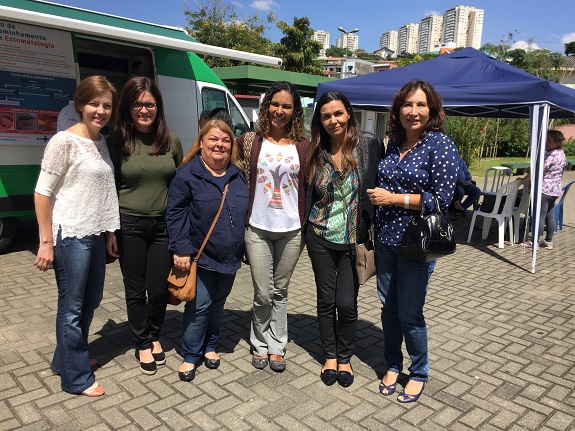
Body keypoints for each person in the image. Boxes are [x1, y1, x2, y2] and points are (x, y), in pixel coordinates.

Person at [367, 80, 458, 403]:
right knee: (388, 310)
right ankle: (393, 364)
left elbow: (441, 200)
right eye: (408, 105)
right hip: (387, 241)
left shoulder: (440, 145)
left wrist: (393, 198)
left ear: (431, 110)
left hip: (417, 244)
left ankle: (419, 371)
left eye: (421, 105)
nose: (413, 111)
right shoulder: (392, 144)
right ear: (398, 110)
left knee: (409, 312)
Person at [33, 75, 120, 397]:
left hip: (95, 233)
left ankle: (66, 359)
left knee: (91, 301)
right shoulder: (63, 142)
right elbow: (42, 193)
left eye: (107, 105)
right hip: (70, 235)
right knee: (71, 307)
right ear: (80, 104)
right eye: (94, 103)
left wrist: (110, 232)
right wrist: (45, 241)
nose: (101, 110)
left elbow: (103, 191)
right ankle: (76, 379)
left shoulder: (100, 141)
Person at [305, 91, 383, 388]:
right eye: (326, 116)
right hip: (320, 236)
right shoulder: (316, 150)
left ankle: (346, 357)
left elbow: (382, 180)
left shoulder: (369, 144)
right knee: (326, 301)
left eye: (338, 113)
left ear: (348, 113)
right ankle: (330, 356)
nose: (333, 120)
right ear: (320, 120)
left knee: (346, 304)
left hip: (354, 240)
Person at [107, 76, 183, 375]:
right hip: (129, 225)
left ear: (158, 107)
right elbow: (108, 189)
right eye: (137, 104)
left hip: (164, 226)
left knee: (159, 289)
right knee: (136, 289)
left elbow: (180, 184)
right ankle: (144, 341)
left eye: (149, 104)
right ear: (128, 107)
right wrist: (109, 232)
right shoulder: (116, 142)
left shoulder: (171, 140)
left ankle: (153, 332)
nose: (144, 109)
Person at [166, 119, 249, 382]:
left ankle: (210, 346)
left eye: (225, 140)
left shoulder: (238, 174)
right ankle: (191, 354)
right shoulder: (187, 174)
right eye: (213, 139)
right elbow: (175, 214)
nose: (219, 145)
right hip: (200, 256)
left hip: (230, 257)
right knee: (200, 305)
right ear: (201, 142)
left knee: (218, 303)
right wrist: (180, 249)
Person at [236, 81, 308, 372]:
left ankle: (277, 345)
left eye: (287, 106)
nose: (280, 111)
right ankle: (259, 342)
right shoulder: (251, 141)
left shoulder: (304, 145)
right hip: (257, 226)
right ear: (267, 106)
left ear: (294, 111)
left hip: (292, 228)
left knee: (281, 290)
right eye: (275, 104)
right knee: (263, 292)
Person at [519, 129, 566, 250]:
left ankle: (534, 241)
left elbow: (538, 170)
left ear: (557, 142)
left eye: (549, 140)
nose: (546, 142)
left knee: (539, 215)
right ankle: (548, 240)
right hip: (554, 189)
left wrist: (524, 180)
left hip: (544, 189)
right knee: (549, 215)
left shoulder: (550, 155)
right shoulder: (561, 153)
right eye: (545, 140)